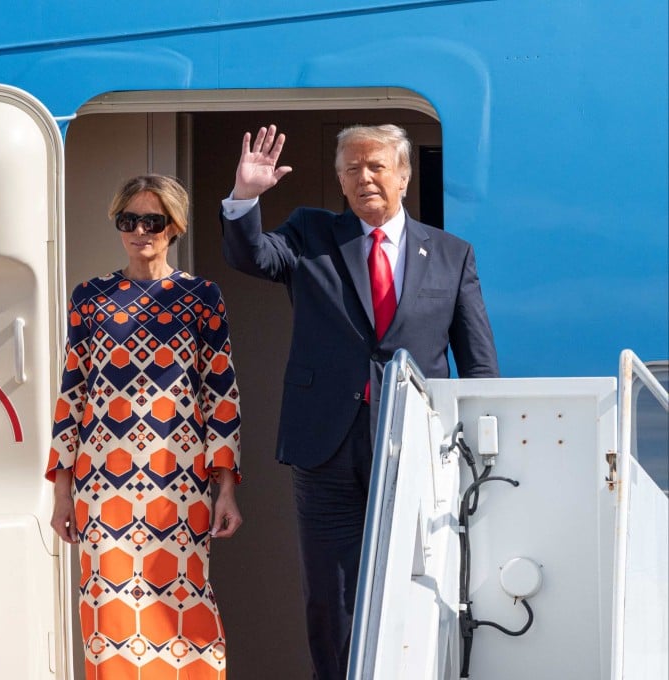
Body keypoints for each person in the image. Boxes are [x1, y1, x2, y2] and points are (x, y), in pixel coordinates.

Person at [220, 124, 498, 679]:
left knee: (420, 578)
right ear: (340, 183)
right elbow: (252, 257)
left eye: (375, 165)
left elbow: (478, 362)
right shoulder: (311, 233)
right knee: (331, 593)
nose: (364, 177)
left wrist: (486, 450)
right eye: (351, 169)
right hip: (325, 449)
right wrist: (245, 196)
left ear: (403, 175)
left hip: (416, 448)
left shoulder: (450, 254)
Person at [47, 174, 244, 679]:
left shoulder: (202, 296)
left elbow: (220, 393)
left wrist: (226, 489)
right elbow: (72, 393)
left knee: (183, 605)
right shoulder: (90, 297)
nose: (140, 231)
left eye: (152, 221)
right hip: (102, 485)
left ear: (173, 227)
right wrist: (62, 494)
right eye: (128, 220)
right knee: (109, 614)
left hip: (179, 483)